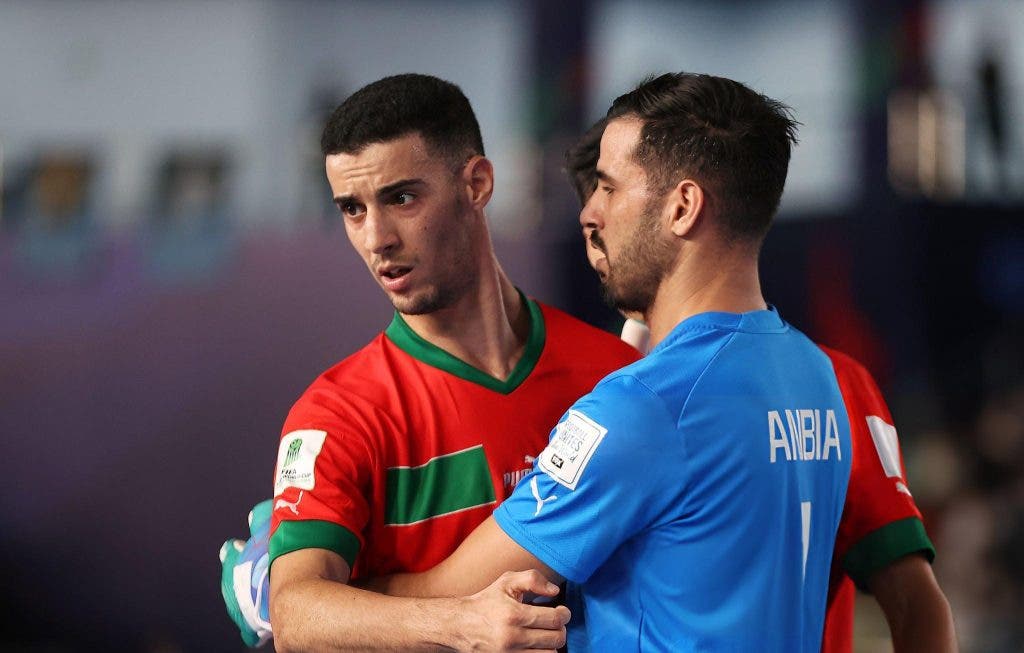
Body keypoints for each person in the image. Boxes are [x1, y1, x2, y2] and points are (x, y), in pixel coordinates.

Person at [362, 72, 851, 652]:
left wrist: (284, 592)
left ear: (683, 207)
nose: (588, 213)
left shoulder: (644, 407)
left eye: (609, 188)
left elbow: (456, 597)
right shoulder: (815, 375)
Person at [240, 73, 640, 651]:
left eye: (401, 198)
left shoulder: (613, 373)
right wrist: (461, 625)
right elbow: (297, 615)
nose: (377, 238)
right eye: (352, 209)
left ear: (476, 183)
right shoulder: (337, 414)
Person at [564, 119, 957, 653]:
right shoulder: (585, 394)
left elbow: (915, 603)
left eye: (612, 197)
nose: (598, 227)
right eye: (595, 208)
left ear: (682, 210)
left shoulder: (834, 383)